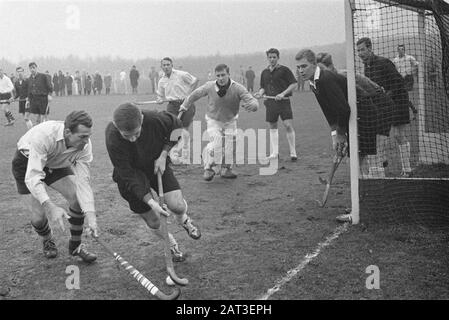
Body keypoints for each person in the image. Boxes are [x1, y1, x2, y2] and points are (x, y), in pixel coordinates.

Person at [105, 103, 201, 262]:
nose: (133, 139)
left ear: (141, 120)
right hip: (130, 177)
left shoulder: (155, 119)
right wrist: (150, 201)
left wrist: (164, 154)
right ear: (116, 126)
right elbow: (127, 173)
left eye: (136, 133)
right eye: (126, 136)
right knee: (154, 220)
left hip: (156, 164)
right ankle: (170, 243)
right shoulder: (112, 137)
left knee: (177, 206)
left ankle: (182, 219)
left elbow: (177, 127)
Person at [11, 110, 98, 261]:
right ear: (68, 132)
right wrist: (50, 206)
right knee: (38, 218)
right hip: (26, 162)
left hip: (56, 163)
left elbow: (83, 183)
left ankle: (75, 246)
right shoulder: (44, 136)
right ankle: (47, 239)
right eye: (82, 137)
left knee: (77, 198)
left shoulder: (85, 146)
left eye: (88, 136)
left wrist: (91, 217)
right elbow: (34, 176)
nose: (86, 142)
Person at [316, 52, 394, 178]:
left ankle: (377, 180)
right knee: (360, 149)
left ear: (329, 66)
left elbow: (362, 96)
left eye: (321, 68)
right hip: (368, 106)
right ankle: (363, 180)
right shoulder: (329, 79)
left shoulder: (341, 76)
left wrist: (344, 131)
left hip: (380, 104)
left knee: (375, 148)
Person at [295, 49, 351, 223]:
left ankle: (363, 207)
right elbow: (329, 111)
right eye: (298, 67)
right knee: (355, 160)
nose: (301, 71)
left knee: (361, 159)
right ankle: (360, 203)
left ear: (314, 64)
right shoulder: (314, 83)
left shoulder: (325, 79)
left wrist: (342, 135)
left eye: (304, 66)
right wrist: (335, 135)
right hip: (350, 119)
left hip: (364, 114)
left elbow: (343, 109)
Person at [179, 64, 258, 181]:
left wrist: (254, 105)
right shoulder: (209, 86)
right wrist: (184, 105)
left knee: (230, 145)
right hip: (213, 120)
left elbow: (252, 101)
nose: (220, 78)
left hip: (230, 120)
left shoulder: (238, 88)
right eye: (218, 75)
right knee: (217, 143)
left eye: (223, 75)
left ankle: (226, 169)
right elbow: (195, 94)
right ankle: (209, 168)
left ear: (228, 75)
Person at [356, 37, 414, 177]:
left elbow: (399, 82)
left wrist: (387, 96)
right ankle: (382, 162)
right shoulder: (367, 67)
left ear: (370, 48)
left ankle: (407, 170)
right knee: (379, 135)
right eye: (358, 51)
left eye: (362, 49)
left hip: (398, 101)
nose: (360, 53)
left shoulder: (383, 62)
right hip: (383, 105)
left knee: (399, 135)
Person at [254, 48, 298, 161]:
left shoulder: (285, 70)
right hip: (270, 103)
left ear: (278, 58)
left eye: (274, 57)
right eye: (270, 57)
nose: (272, 59)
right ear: (267, 58)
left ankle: (293, 152)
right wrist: (260, 93)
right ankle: (275, 153)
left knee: (288, 125)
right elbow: (263, 87)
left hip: (284, 103)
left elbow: (293, 84)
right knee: (273, 126)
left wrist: (283, 94)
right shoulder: (264, 72)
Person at [156, 57, 199, 164]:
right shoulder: (162, 81)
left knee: (184, 130)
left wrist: (189, 95)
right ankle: (172, 155)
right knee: (172, 130)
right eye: (164, 65)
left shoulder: (181, 74)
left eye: (168, 65)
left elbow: (195, 81)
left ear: (172, 65)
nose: (166, 67)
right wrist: (160, 99)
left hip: (186, 104)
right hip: (172, 106)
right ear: (161, 67)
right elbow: (160, 95)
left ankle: (184, 155)